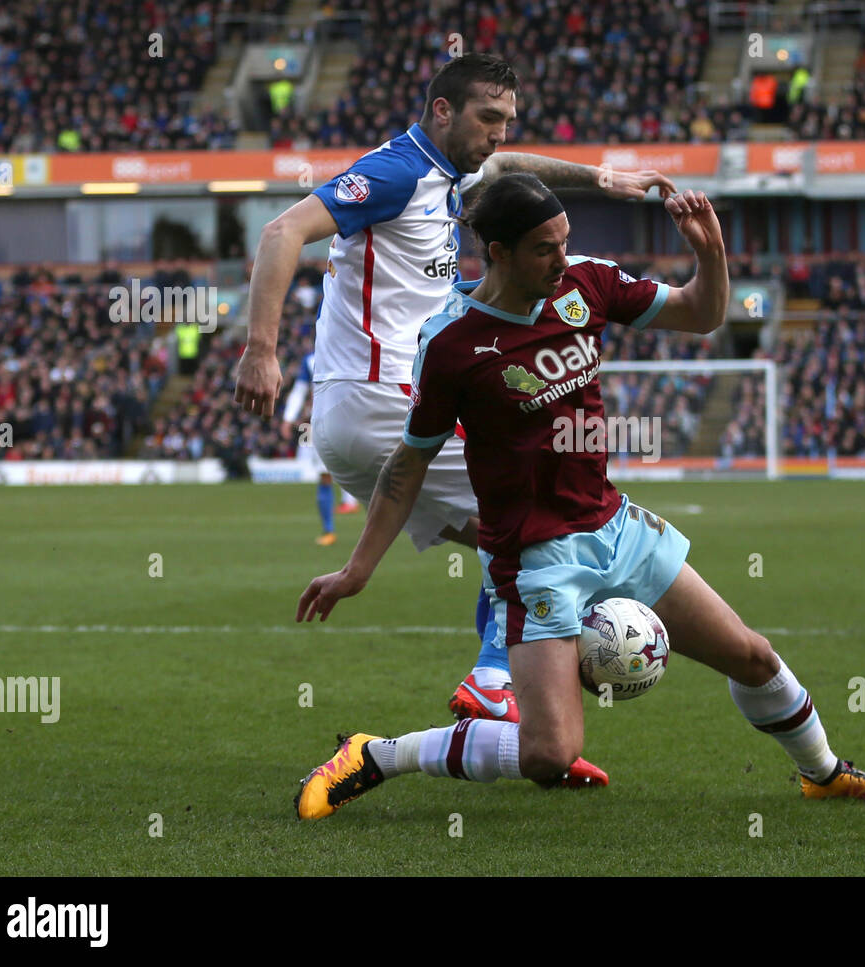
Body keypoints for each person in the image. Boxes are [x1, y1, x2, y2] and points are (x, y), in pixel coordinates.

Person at [291, 175, 865, 818]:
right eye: (545, 249)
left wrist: (710, 253)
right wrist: (357, 569)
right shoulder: (451, 342)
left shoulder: (587, 283)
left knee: (752, 655)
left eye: (566, 242)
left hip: (615, 526)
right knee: (549, 753)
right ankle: (375, 755)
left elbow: (701, 316)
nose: (562, 260)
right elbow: (407, 465)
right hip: (535, 561)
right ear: (499, 253)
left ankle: (824, 773)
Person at [233, 53, 675, 785]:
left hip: (373, 410)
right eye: (487, 119)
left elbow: (509, 169)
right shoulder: (396, 171)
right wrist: (260, 349)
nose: (499, 135)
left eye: (507, 120)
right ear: (441, 111)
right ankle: (494, 687)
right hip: (381, 400)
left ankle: (504, 703)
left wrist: (600, 178)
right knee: (548, 526)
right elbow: (283, 231)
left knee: (507, 534)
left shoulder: (450, 174)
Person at [280, 350, 361, 546]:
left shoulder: (351, 352)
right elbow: (299, 390)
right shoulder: (311, 360)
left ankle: (357, 511)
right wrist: (288, 418)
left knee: (364, 471)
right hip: (322, 424)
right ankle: (329, 530)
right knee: (325, 475)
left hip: (352, 420)